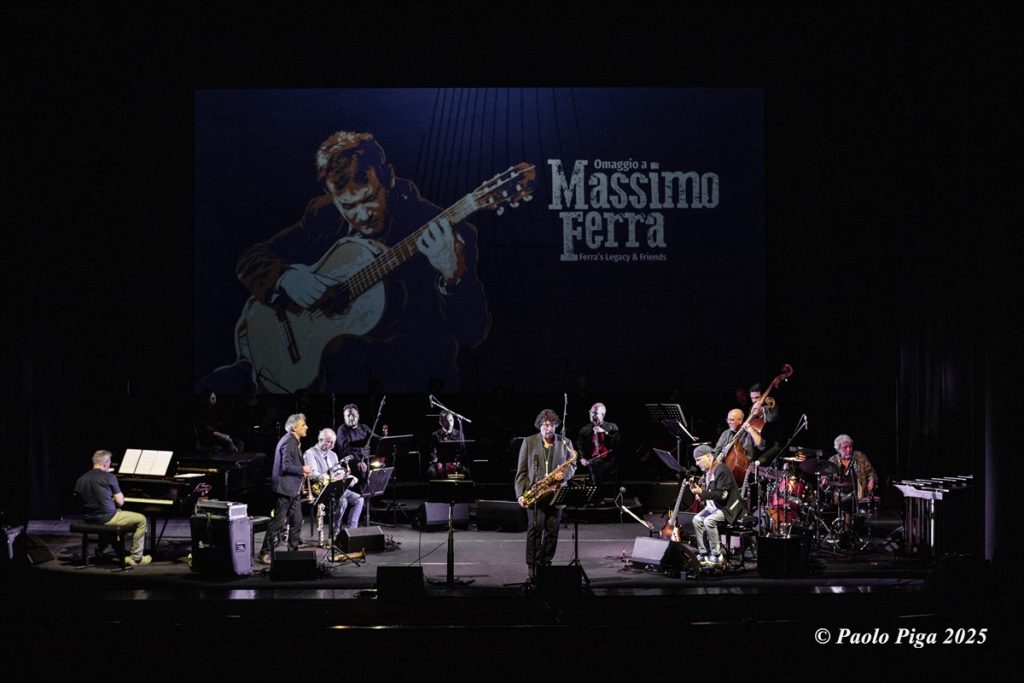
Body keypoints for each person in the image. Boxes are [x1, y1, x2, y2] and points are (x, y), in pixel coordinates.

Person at [231, 130, 490, 394]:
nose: (363, 215)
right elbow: (251, 259)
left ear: (389, 178)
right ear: (332, 197)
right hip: (332, 387)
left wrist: (454, 276)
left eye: (370, 198)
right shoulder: (324, 215)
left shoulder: (447, 232)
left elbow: (473, 334)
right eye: (348, 206)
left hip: (410, 386)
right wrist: (287, 278)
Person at [515, 409, 577, 584]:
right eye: (545, 425)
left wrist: (564, 475)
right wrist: (520, 494)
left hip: (556, 494)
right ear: (539, 425)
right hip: (536, 494)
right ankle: (532, 568)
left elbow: (573, 465)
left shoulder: (565, 442)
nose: (549, 428)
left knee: (552, 532)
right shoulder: (529, 442)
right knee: (535, 530)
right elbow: (521, 472)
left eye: (552, 425)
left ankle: (545, 565)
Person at [74, 450, 151, 566]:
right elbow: (120, 502)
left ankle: (103, 550)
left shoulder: (81, 479)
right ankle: (137, 558)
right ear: (105, 463)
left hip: (89, 518)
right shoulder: (109, 477)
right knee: (142, 519)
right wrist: (113, 499)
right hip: (107, 518)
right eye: (109, 462)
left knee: (113, 516)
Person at [258, 413, 312, 564]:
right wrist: (302, 469)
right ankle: (264, 553)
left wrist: (301, 472)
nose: (306, 427)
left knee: (297, 520)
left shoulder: (293, 440)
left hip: (293, 489)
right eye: (303, 425)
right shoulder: (289, 441)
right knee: (278, 522)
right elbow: (286, 466)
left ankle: (292, 553)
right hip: (285, 489)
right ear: (294, 428)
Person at [690, 444, 747, 569]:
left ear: (709, 457)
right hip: (716, 507)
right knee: (697, 519)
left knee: (709, 521)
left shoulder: (721, 469)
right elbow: (711, 493)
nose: (697, 463)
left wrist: (702, 493)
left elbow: (722, 495)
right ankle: (704, 553)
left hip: (729, 507)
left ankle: (717, 555)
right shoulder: (708, 471)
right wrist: (701, 495)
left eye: (699, 459)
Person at [304, 428, 363, 536]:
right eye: (329, 442)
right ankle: (335, 533)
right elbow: (312, 474)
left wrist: (348, 477)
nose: (331, 445)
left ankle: (351, 533)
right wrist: (330, 478)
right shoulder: (310, 453)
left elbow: (338, 471)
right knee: (342, 501)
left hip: (336, 487)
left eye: (333, 442)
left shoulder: (333, 454)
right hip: (320, 489)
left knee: (359, 500)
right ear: (320, 440)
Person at [822, 434, 878, 517]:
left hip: (858, 495)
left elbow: (871, 472)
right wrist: (824, 480)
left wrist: (871, 480)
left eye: (850, 447)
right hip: (839, 497)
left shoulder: (860, 457)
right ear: (838, 449)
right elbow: (825, 476)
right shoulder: (833, 460)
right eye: (845, 447)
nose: (849, 449)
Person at [577, 402, 620, 488]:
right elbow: (579, 447)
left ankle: (598, 491)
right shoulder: (584, 430)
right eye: (591, 412)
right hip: (590, 460)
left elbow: (617, 443)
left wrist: (604, 432)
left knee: (595, 464)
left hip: (608, 460)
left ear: (603, 415)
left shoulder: (612, 427)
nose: (592, 415)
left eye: (595, 413)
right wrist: (582, 458)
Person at [336, 403, 378, 487]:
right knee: (362, 468)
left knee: (380, 465)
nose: (351, 418)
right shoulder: (342, 430)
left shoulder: (364, 427)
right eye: (348, 415)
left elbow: (376, 438)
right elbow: (345, 450)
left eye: (353, 415)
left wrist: (384, 439)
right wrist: (358, 461)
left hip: (366, 459)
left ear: (358, 416)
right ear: (344, 417)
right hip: (351, 461)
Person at [194, 388, 243, 453]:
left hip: (216, 435)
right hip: (208, 437)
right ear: (206, 399)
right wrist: (224, 436)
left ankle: (237, 456)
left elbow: (217, 423)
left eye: (215, 398)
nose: (214, 400)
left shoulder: (214, 410)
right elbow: (208, 430)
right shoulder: (201, 412)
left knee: (240, 443)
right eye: (212, 398)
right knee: (228, 442)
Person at [427, 409, 470, 479]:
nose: (449, 423)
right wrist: (436, 461)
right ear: (440, 422)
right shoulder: (435, 434)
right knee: (431, 471)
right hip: (440, 461)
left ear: (453, 420)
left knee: (465, 472)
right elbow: (432, 451)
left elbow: (462, 450)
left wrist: (457, 461)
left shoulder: (459, 434)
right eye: (446, 421)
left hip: (455, 461)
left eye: (451, 420)